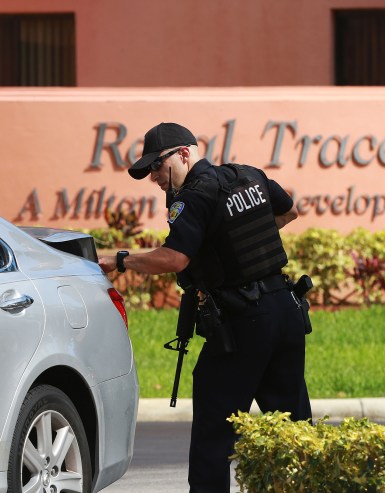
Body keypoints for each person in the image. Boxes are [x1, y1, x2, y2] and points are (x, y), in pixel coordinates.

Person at [98, 122, 312, 493]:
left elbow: (175, 259)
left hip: (243, 322)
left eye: (158, 167)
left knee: (215, 432)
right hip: (286, 309)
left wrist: (120, 261)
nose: (155, 177)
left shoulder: (195, 196)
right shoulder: (248, 175)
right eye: (148, 172)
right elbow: (288, 212)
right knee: (292, 426)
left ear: (184, 153)